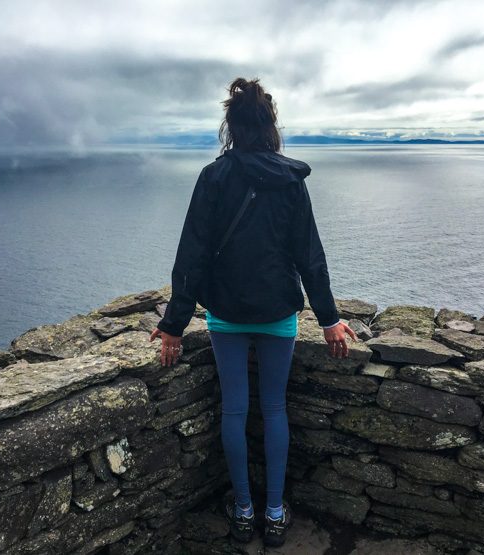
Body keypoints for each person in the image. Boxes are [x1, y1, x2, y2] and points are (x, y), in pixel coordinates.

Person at [149, 77, 357, 547]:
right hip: (278, 313)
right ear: (271, 127)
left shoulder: (213, 178)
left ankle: (244, 511)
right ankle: (277, 512)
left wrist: (172, 327)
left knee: (235, 410)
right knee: (275, 408)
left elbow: (192, 255)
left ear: (231, 127)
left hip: (225, 314)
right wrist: (328, 320)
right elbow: (310, 255)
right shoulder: (290, 181)